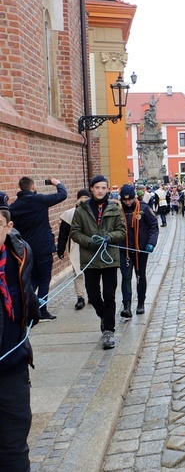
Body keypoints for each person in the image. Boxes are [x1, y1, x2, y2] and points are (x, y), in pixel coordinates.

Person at [0, 191, 40, 471]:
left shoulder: (21, 253)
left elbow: (25, 293)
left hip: (12, 368)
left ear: (7, 226)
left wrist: (32, 311)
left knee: (15, 445)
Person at [69, 175, 125, 350]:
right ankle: (104, 315)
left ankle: (108, 330)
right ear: (92, 189)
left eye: (103, 187)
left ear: (107, 189)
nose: (100, 190)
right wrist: (89, 241)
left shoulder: (114, 209)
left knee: (109, 295)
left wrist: (109, 237)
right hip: (90, 259)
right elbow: (75, 232)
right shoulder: (81, 210)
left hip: (110, 259)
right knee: (93, 296)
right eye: (97, 187)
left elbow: (121, 231)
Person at [9, 176, 68, 320]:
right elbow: (62, 195)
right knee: (43, 280)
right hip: (43, 248)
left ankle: (28, 307)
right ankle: (41, 310)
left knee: (32, 279)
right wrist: (58, 183)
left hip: (26, 249)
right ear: (33, 187)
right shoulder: (39, 200)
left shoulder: (14, 206)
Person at [118, 185, 159, 318]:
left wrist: (151, 243)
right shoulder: (118, 209)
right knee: (126, 277)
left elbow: (153, 226)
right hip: (124, 249)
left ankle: (141, 303)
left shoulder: (144, 208)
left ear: (134, 197)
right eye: (125, 200)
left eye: (130, 199)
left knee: (140, 276)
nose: (128, 202)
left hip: (141, 249)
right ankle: (127, 306)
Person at [57, 189, 91, 310]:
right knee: (78, 272)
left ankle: (93, 294)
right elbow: (63, 234)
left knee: (93, 271)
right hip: (76, 246)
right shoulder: (70, 214)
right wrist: (60, 249)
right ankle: (80, 297)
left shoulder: (94, 213)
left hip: (91, 245)